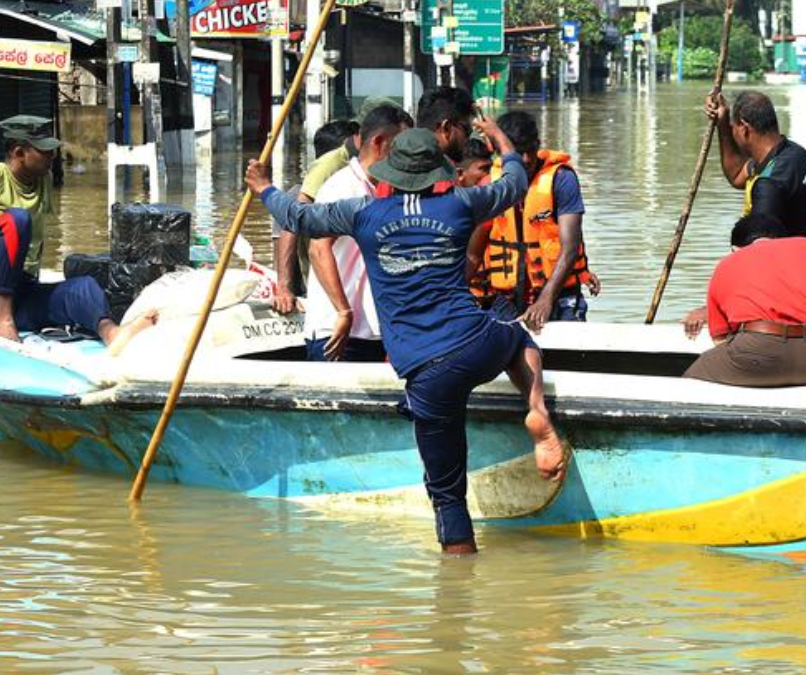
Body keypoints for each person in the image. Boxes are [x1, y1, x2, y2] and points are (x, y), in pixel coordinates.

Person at [247, 123, 566, 555]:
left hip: (425, 370)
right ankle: (535, 411)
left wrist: (265, 188)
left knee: (447, 494)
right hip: (476, 342)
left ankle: (455, 591)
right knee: (517, 334)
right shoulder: (461, 204)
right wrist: (501, 140)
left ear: (390, 172)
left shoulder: (363, 212)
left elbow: (298, 218)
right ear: (439, 171)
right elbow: (514, 184)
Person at [0, 116, 155, 352]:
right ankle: (4, 318)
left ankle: (112, 333)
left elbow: (36, 244)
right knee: (17, 219)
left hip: (22, 288)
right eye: (45, 151)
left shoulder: (44, 180)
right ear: (19, 152)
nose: (53, 156)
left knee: (83, 287)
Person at [272, 98, 407, 314]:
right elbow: (294, 223)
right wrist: (284, 287)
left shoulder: (379, 175)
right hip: (332, 295)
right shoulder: (333, 167)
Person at [467, 111, 597, 329]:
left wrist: (545, 299)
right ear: (503, 152)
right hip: (505, 299)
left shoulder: (562, 179)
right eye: (519, 153)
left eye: (530, 150)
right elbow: (474, 253)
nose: (526, 159)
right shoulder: (490, 185)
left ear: (538, 144)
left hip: (558, 295)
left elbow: (570, 247)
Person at [304, 105, 413, 362]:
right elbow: (318, 249)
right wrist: (343, 311)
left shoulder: (380, 190)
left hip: (371, 331)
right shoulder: (344, 186)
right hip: (337, 331)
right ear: (379, 142)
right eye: (401, 146)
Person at [683, 212, 806, 387]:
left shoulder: (728, 263)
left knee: (692, 379)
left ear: (735, 249)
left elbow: (720, 339)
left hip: (757, 353)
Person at [705, 91, 806, 236]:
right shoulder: (797, 153)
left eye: (733, 127)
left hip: (785, 255)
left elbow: (759, 245)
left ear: (744, 128)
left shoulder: (769, 184)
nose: (733, 132)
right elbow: (736, 174)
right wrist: (722, 124)